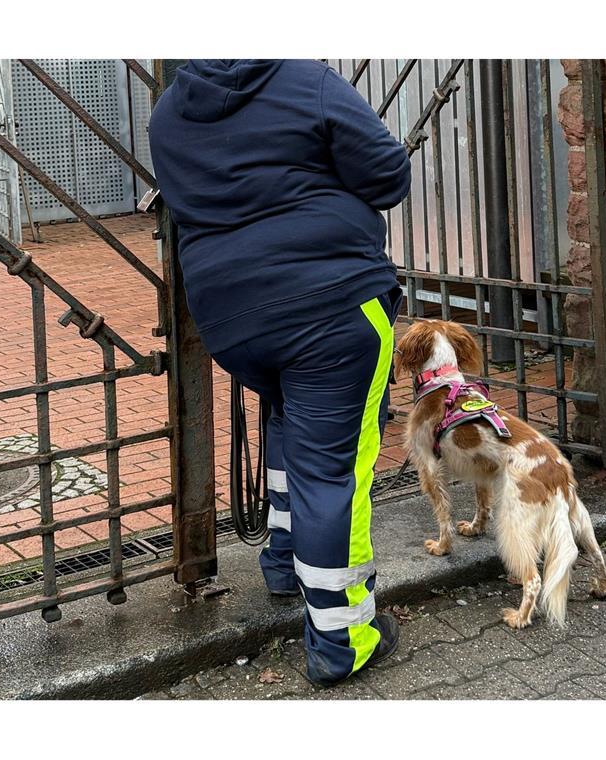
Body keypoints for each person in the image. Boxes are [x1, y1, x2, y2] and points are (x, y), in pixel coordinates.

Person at [148, 59, 411, 686]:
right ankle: (343, 638)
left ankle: (283, 559)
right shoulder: (306, 81)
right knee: (333, 466)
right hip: (331, 306)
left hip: (231, 319)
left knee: (291, 423)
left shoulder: (167, 111)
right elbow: (388, 175)